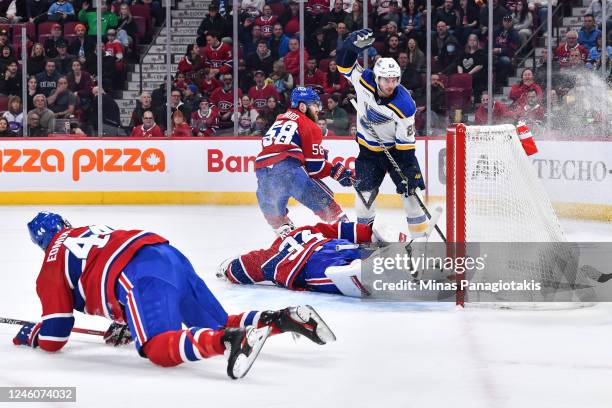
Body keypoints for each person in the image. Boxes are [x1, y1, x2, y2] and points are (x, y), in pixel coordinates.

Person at [14, 212, 335, 380]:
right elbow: (100, 269)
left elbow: (55, 336)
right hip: (166, 254)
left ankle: (229, 342)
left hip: (138, 276)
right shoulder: (90, 229)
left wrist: (31, 335)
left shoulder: (50, 265)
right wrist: (127, 319)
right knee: (221, 320)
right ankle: (286, 318)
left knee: (156, 347)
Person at [336, 28, 428, 239]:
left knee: (413, 199)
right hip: (369, 153)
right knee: (364, 201)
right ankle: (364, 241)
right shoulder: (364, 81)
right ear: (377, 78)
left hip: (396, 152)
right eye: (386, 80)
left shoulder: (404, 105)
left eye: (395, 79)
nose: (391, 84)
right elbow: (344, 66)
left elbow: (406, 146)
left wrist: (410, 172)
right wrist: (350, 46)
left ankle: (421, 243)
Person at [255, 86, 353, 233]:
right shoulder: (309, 125)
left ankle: (287, 240)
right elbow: (315, 168)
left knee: (278, 221)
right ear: (302, 106)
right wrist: (336, 171)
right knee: (330, 210)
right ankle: (346, 232)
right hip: (289, 172)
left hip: (262, 173)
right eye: (314, 105)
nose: (318, 109)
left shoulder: (279, 119)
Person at [218, 220, 395, 296]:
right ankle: (392, 257)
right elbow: (341, 229)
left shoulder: (271, 254)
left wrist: (227, 269)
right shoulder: (308, 230)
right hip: (336, 246)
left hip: (309, 264)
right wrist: (370, 233)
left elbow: (244, 266)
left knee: (334, 274)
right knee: (354, 252)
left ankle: (362, 268)